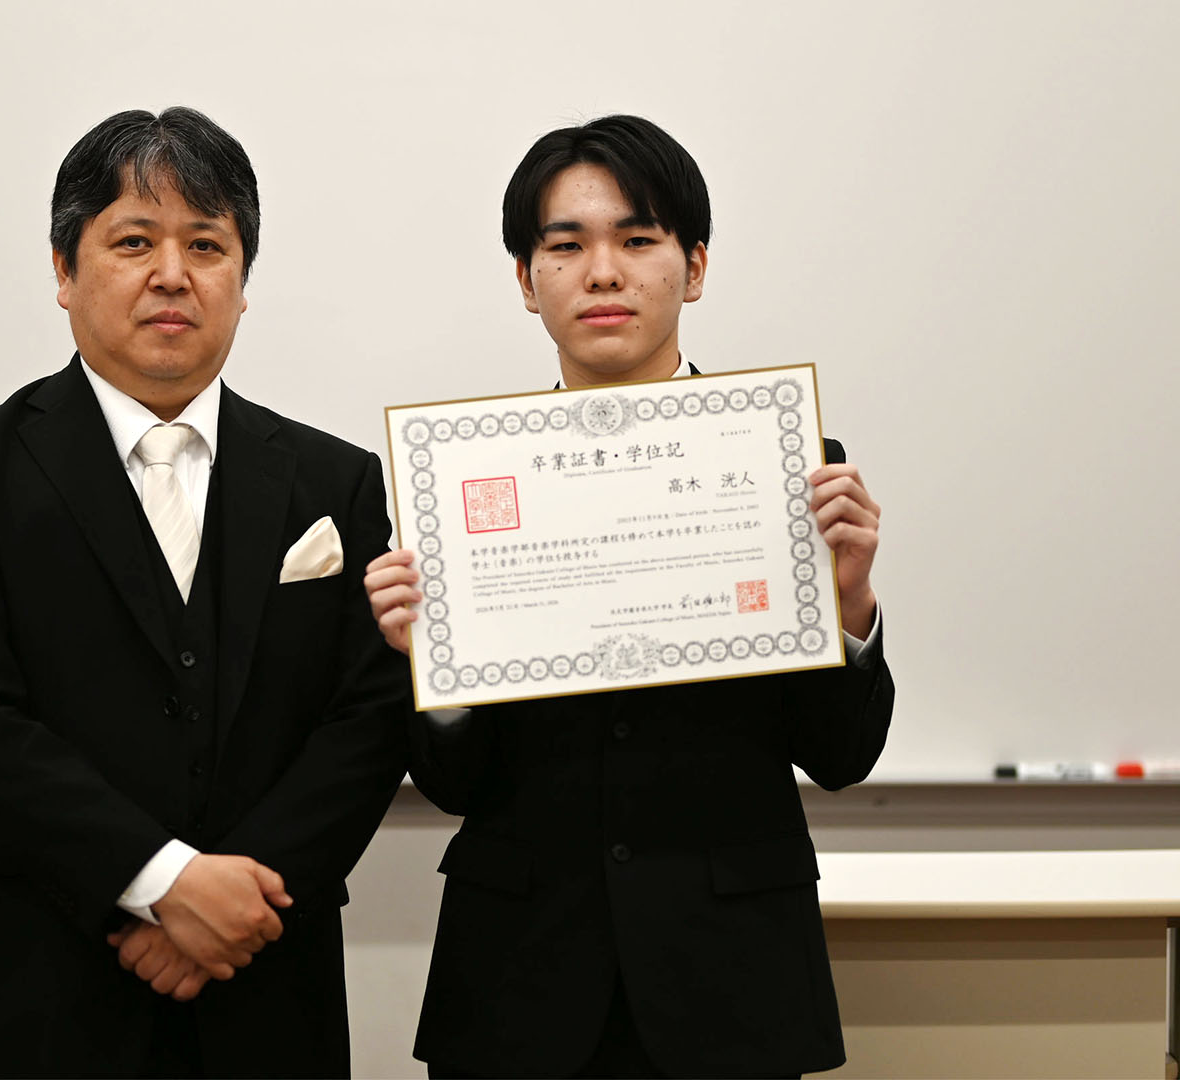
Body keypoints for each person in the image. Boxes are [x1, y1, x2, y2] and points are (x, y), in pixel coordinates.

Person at [364, 115, 894, 1078]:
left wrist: (849, 608)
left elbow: (839, 757)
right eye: (565, 246)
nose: (602, 273)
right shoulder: (467, 488)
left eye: (637, 239)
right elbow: (454, 786)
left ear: (694, 267)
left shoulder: (787, 465)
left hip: (728, 985)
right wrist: (432, 672)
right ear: (526, 279)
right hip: (518, 983)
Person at [0, 106, 409, 1078]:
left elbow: (366, 715)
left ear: (243, 282)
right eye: (134, 241)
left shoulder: (332, 481)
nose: (172, 273)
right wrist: (163, 883)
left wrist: (235, 905)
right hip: (32, 987)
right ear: (64, 270)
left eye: (206, 245)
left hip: (263, 986)